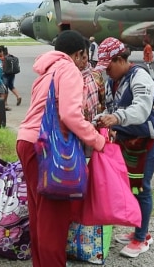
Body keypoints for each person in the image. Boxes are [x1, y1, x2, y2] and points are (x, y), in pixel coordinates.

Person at [17, 30, 106, 267]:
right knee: (54, 219)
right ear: (78, 55)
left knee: (39, 213)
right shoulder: (69, 70)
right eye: (85, 57)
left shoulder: (47, 71)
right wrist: (98, 140)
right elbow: (70, 115)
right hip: (46, 148)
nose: (86, 62)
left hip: (27, 142)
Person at [94, 37, 154, 259]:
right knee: (130, 185)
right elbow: (110, 107)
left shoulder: (140, 76)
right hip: (127, 140)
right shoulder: (113, 81)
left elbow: (141, 110)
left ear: (119, 59)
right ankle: (138, 229)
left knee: (141, 187)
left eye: (108, 66)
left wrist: (116, 118)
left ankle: (141, 238)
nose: (107, 72)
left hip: (146, 140)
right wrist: (101, 118)